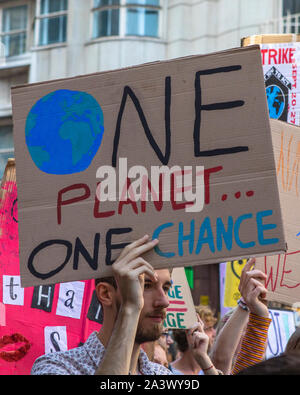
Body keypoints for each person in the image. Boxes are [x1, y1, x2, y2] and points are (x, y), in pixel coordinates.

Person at [31, 235, 219, 375]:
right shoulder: (56, 367)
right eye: (146, 285)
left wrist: (205, 362)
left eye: (166, 287)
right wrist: (130, 309)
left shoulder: (160, 374)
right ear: (106, 294)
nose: (164, 301)